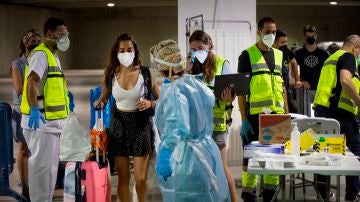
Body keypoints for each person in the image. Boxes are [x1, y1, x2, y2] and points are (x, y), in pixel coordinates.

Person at [151, 39, 230, 201]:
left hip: (186, 159)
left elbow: (176, 125)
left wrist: (165, 154)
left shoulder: (175, 90)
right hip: (206, 150)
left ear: (162, 66)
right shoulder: (194, 82)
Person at [94, 33, 160, 202]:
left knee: (140, 179)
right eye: (122, 50)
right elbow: (105, 96)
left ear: (135, 51)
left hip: (141, 127)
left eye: (129, 49)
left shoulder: (145, 73)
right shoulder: (110, 74)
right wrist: (100, 101)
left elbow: (161, 100)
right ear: (116, 52)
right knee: (123, 177)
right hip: (118, 127)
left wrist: (150, 103)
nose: (126, 53)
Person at [20, 17, 73, 201]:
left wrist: (67, 98)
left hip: (50, 124)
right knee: (42, 171)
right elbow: (32, 81)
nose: (65, 37)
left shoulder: (53, 56)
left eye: (66, 33)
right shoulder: (41, 54)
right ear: (49, 35)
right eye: (61, 33)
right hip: (41, 123)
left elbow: (50, 86)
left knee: (48, 171)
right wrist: (35, 109)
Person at [237, 17, 288, 202]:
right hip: (254, 117)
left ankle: (269, 195)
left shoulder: (280, 55)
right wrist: (243, 119)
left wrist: (286, 114)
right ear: (259, 31)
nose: (271, 35)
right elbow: (241, 92)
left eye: (274, 31)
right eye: (267, 31)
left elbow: (283, 89)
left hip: (276, 117)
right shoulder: (247, 55)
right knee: (251, 159)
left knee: (273, 160)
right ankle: (249, 195)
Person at [187, 30, 238, 202]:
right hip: (196, 126)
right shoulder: (191, 66)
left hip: (217, 124)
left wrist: (229, 96)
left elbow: (232, 93)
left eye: (200, 47)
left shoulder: (222, 63)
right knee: (201, 169)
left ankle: (234, 199)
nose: (197, 52)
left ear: (209, 45)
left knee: (221, 167)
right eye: (193, 49)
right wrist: (186, 71)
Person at [313, 34, 360, 201]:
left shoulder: (330, 58)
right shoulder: (348, 57)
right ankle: (352, 194)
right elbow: (346, 80)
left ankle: (322, 194)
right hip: (339, 112)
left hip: (322, 110)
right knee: (355, 151)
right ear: (355, 47)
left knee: (323, 152)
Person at [10, 29, 41, 200]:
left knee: (35, 149)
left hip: (39, 111)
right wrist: (34, 87)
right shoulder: (18, 64)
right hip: (22, 112)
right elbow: (19, 88)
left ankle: (36, 183)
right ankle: (26, 187)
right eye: (31, 41)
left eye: (38, 40)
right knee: (23, 149)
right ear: (25, 44)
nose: (35, 43)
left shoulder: (42, 60)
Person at [295, 25, 328, 99]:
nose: (310, 38)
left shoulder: (323, 54)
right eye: (308, 36)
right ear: (304, 37)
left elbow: (328, 72)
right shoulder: (299, 53)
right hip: (304, 90)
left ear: (316, 36)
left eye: (312, 36)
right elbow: (293, 72)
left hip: (320, 90)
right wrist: (300, 81)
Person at [273, 29, 302, 113]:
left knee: (293, 109)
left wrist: (297, 80)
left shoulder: (286, 51)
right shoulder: (270, 53)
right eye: (282, 42)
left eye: (286, 42)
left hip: (286, 87)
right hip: (276, 88)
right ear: (274, 42)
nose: (285, 44)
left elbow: (294, 62)